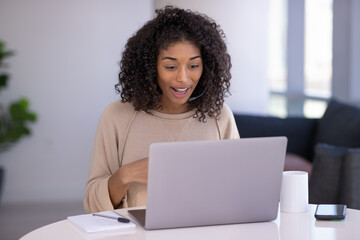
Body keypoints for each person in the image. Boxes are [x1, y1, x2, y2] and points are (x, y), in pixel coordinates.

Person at [84, 6, 240, 213]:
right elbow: (92, 205)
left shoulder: (219, 116)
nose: (183, 78)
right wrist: (127, 174)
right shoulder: (116, 117)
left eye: (193, 66)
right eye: (170, 66)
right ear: (150, 67)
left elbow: (239, 192)